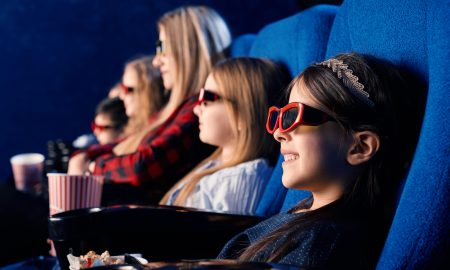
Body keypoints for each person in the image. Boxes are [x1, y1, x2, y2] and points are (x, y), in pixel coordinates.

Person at [216, 53, 424, 269]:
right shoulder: (304, 213)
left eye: (293, 116)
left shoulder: (322, 245)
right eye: (279, 118)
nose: (278, 132)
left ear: (359, 147)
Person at [69, 6, 231, 197]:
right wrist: (87, 154)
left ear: (189, 51)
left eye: (162, 49)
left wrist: (93, 165)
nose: (156, 61)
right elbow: (127, 143)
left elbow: (144, 166)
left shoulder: (199, 109)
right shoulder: (176, 107)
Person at [160, 57, 290, 215]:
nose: (196, 109)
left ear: (243, 114)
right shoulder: (217, 164)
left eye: (206, 99)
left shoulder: (239, 181)